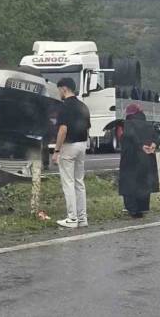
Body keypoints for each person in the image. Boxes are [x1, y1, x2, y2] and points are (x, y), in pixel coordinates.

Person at [52, 77, 91, 228]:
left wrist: (56, 150)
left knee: (68, 182)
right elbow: (87, 128)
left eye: (59, 89)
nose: (59, 93)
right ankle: (82, 218)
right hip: (82, 144)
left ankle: (72, 218)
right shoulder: (83, 106)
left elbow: (63, 130)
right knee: (79, 182)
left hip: (69, 146)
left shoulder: (64, 107)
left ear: (64, 88)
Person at [118, 103, 159, 219]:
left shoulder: (127, 124)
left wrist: (140, 146)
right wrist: (154, 145)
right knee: (144, 183)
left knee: (129, 183)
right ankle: (143, 208)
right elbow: (156, 137)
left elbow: (130, 135)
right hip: (147, 158)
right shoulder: (148, 124)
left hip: (131, 158)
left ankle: (132, 209)